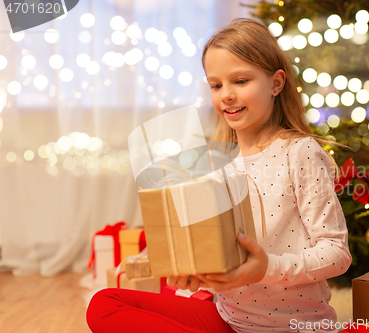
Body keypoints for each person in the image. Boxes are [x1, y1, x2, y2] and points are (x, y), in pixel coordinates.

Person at [86, 18, 351, 333]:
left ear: (276, 83)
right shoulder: (216, 160)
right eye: (216, 85)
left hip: (292, 326)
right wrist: (194, 271)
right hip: (230, 319)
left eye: (240, 81)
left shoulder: (299, 152)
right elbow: (215, 248)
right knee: (104, 304)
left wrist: (267, 267)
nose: (226, 95)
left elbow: (337, 254)